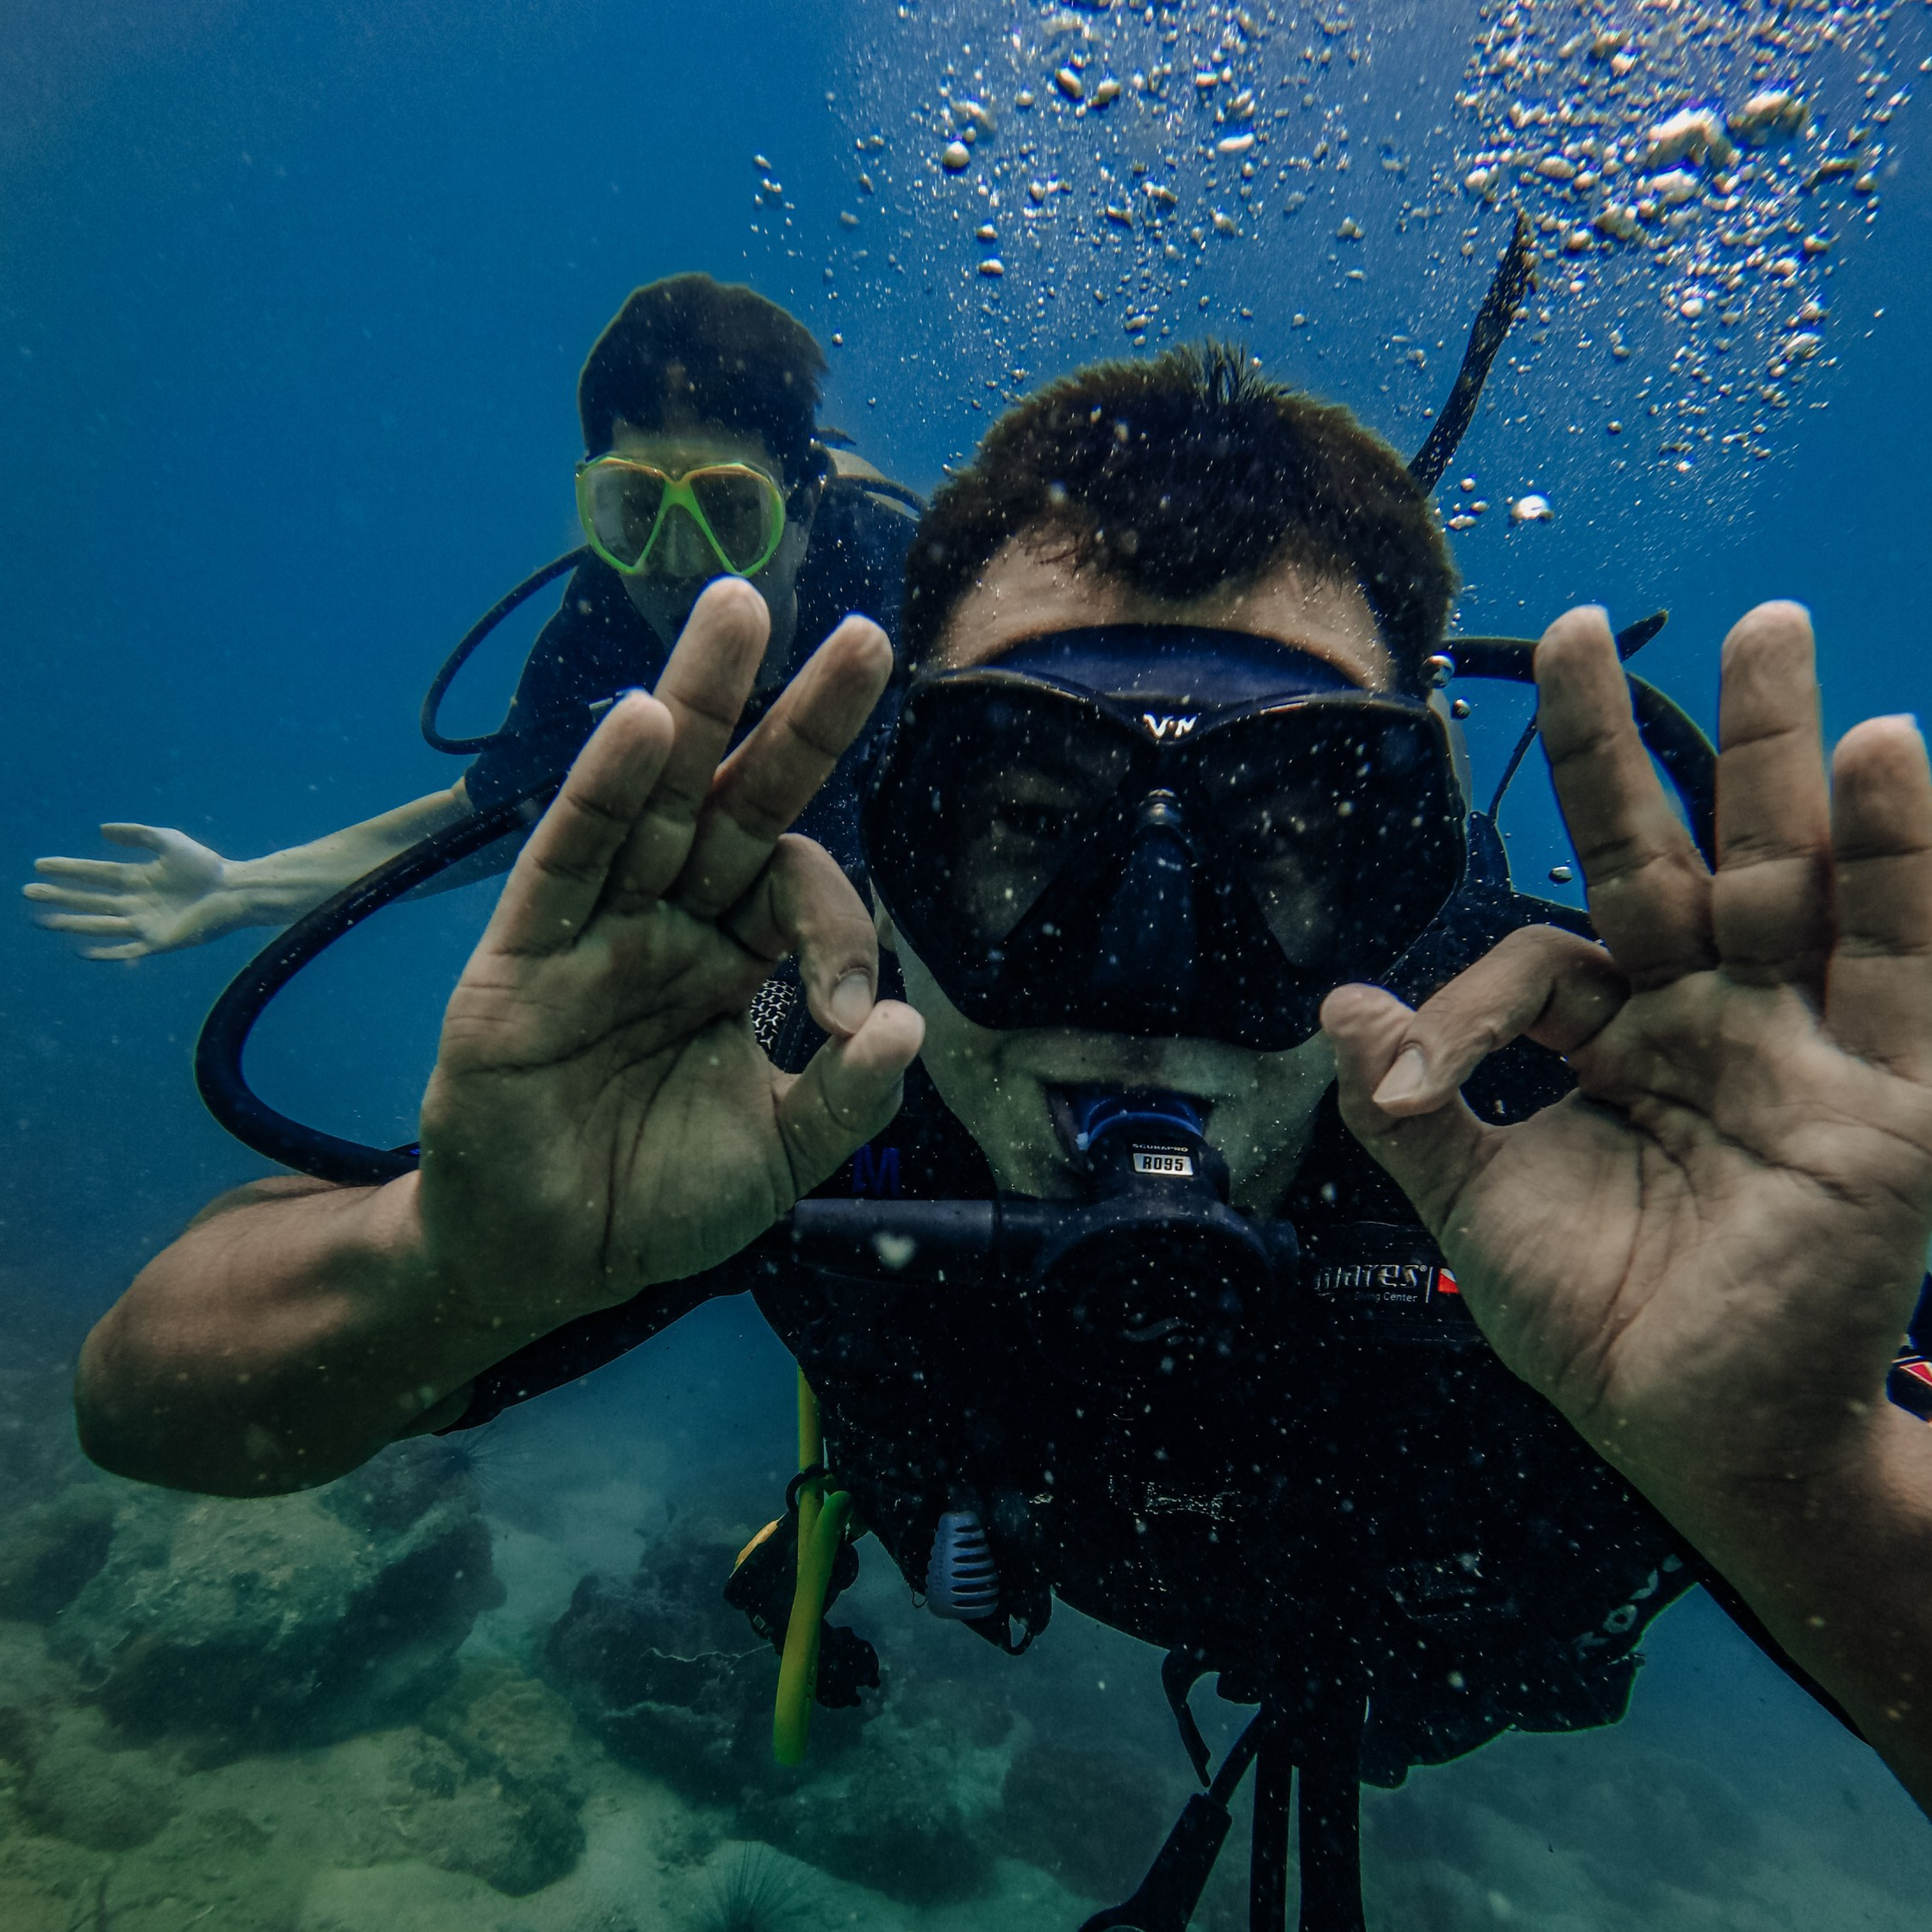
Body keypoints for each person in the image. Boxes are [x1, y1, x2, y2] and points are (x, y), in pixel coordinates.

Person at [71, 347, 1932, 1914]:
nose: (1134, 972)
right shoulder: (809, 1083)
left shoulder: (1593, 1125)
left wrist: (1803, 1472)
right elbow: (142, 1395)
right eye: (1023, 819)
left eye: (1288, 834)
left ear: (1411, 861)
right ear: (897, 823)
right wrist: (449, 1265)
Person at [22, 274, 917, 957]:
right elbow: (480, 815)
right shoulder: (602, 625)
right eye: (635, 512)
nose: (677, 566)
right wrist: (241, 883)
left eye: (726, 513)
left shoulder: (905, 587)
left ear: (800, 508)